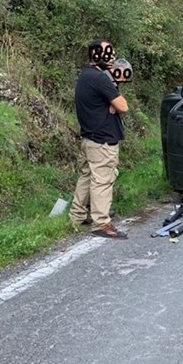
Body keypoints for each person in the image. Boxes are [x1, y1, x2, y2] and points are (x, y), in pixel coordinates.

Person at [68, 39, 129, 239]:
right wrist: (113, 104)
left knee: (87, 176)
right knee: (102, 180)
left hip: (90, 138)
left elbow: (111, 104)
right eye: (106, 53)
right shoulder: (100, 79)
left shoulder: (85, 76)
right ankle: (101, 223)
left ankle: (76, 216)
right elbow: (123, 106)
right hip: (103, 141)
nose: (111, 57)